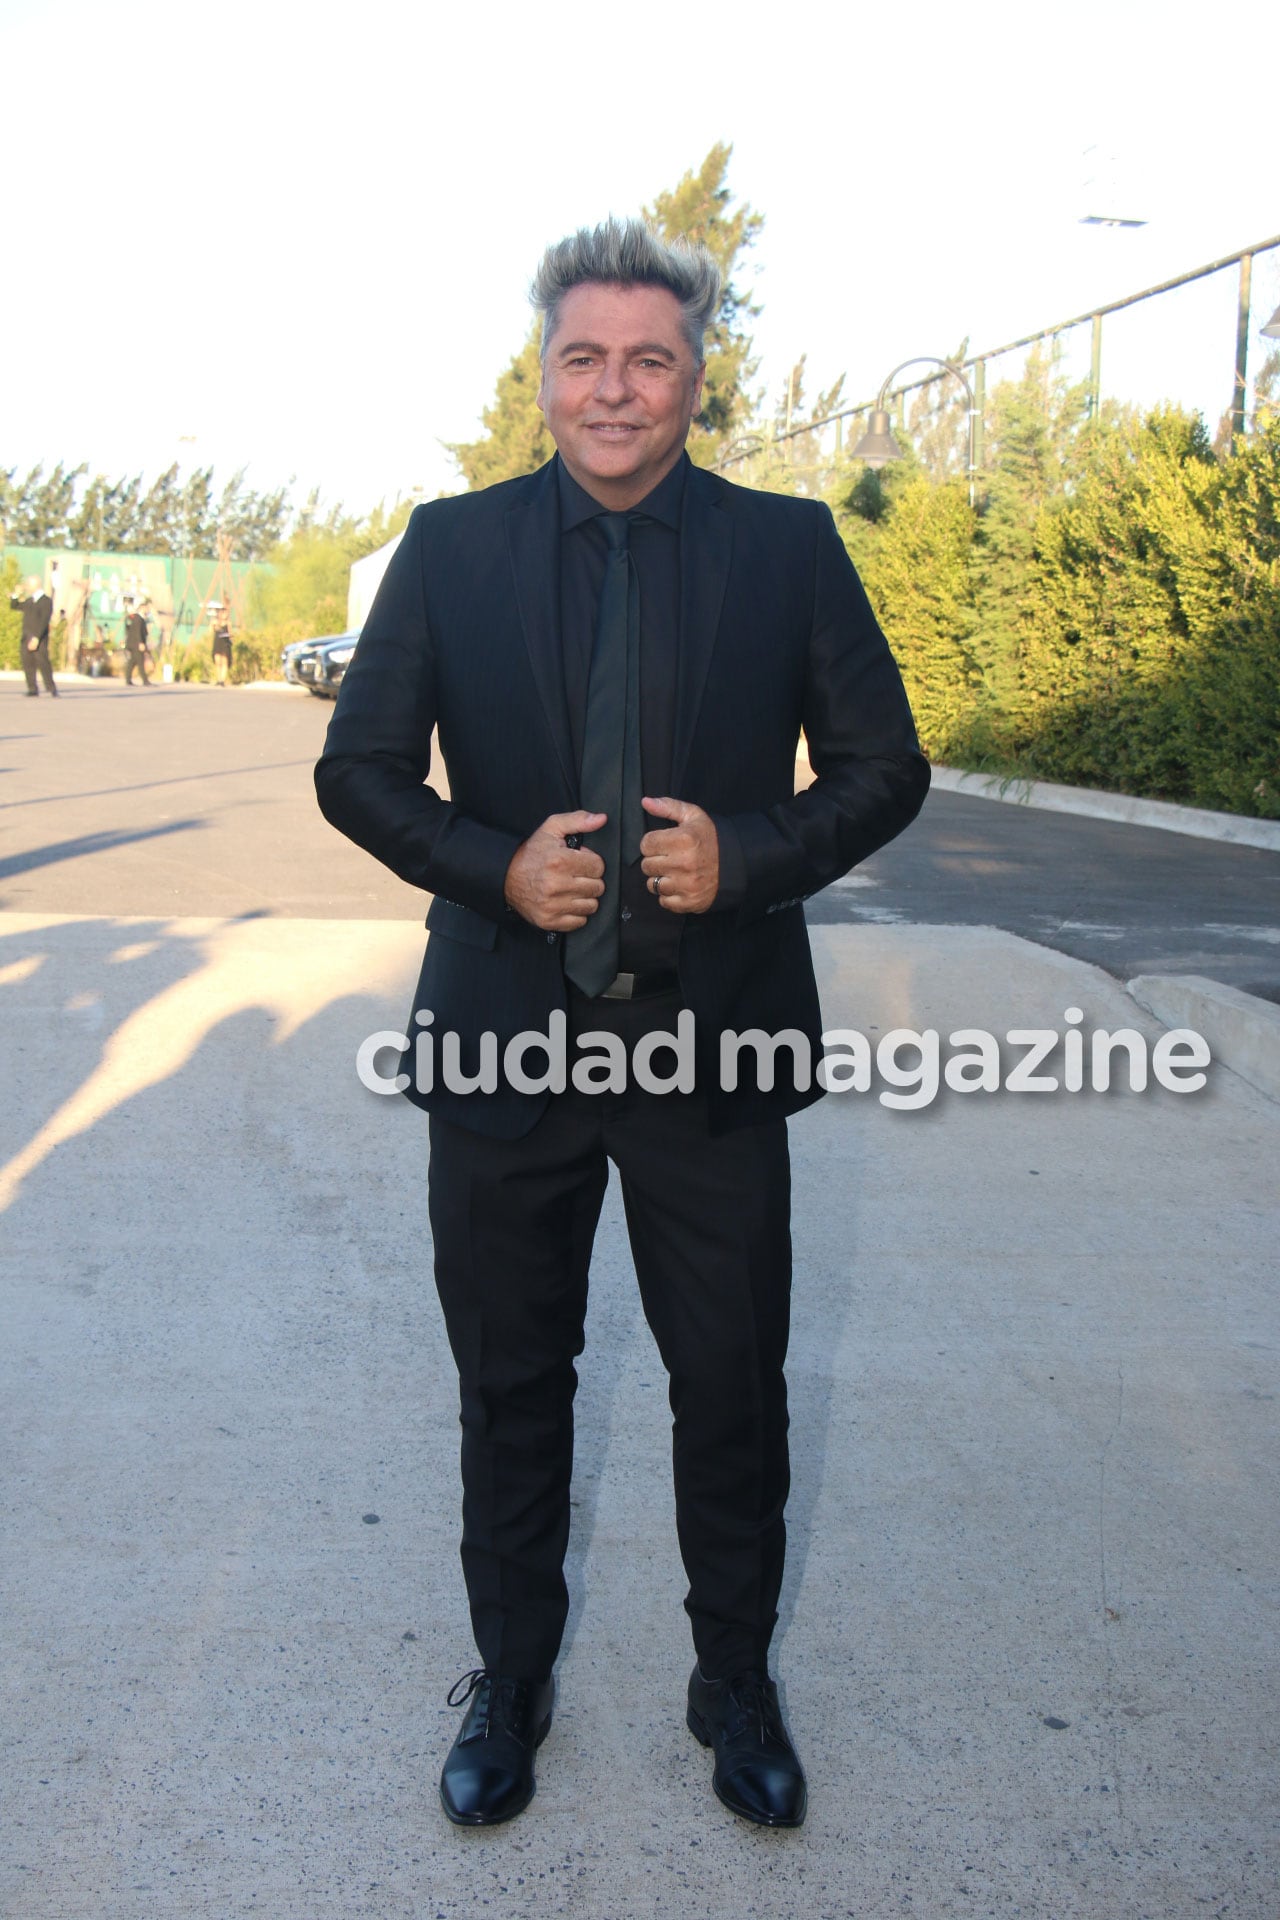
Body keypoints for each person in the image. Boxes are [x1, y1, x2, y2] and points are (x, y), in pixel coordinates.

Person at [314, 219, 929, 1831]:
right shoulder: (446, 549)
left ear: (694, 378)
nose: (615, 388)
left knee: (727, 1389)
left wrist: (754, 854)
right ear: (541, 381)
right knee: (513, 1387)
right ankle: (508, 1683)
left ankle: (734, 1679)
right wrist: (492, 868)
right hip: (507, 1052)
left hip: (708, 1057)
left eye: (648, 360)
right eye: (584, 358)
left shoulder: (789, 547)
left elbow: (884, 767)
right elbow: (358, 770)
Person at [10, 575, 57, 697]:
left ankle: (51, 688)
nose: (27, 587)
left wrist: (36, 637)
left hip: (39, 638)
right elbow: (14, 606)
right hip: (26, 637)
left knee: (43, 663)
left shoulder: (46, 601)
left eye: (28, 585)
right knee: (28, 663)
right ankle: (32, 688)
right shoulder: (30, 601)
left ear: (35, 585)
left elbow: (44, 620)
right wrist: (16, 594)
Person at [123, 601, 151, 686]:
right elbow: (137, 632)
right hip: (136, 644)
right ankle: (145, 681)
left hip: (135, 644)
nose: (147, 610)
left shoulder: (139, 618)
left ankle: (128, 680)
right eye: (146, 608)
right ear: (142, 608)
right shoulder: (138, 618)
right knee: (140, 661)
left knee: (133, 662)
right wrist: (140, 643)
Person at [212, 615, 233, 686]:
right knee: (217, 661)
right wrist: (213, 624)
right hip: (217, 643)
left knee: (224, 662)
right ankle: (219, 679)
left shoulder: (228, 623)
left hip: (225, 643)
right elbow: (211, 631)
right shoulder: (215, 622)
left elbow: (230, 633)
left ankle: (222, 680)